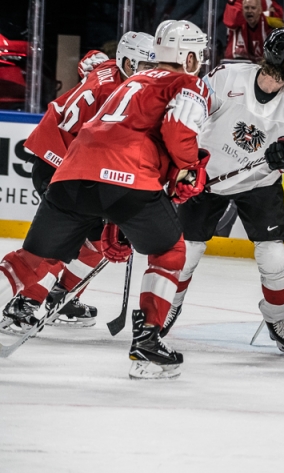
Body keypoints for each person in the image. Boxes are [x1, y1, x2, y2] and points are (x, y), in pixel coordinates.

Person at [0, 20, 211, 380]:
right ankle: (148, 343)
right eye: (199, 54)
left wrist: (116, 217)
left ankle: (24, 298)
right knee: (171, 252)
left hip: (71, 174)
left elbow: (109, 137)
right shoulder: (189, 84)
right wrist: (189, 168)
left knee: (30, 259)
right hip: (129, 179)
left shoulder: (126, 81)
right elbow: (177, 132)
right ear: (188, 56)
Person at [165, 28, 284, 358]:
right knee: (187, 251)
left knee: (274, 256)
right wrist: (182, 161)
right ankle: (166, 308)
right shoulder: (227, 75)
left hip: (259, 181)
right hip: (207, 175)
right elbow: (192, 113)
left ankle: (278, 321)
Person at [2, 34, 156, 333]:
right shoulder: (120, 96)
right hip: (67, 169)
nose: (150, 72)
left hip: (57, 161)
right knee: (65, 238)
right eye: (145, 64)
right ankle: (26, 303)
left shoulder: (110, 70)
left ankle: (63, 297)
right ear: (127, 62)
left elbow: (93, 61)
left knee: (98, 243)